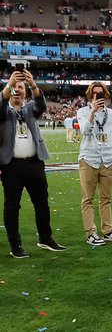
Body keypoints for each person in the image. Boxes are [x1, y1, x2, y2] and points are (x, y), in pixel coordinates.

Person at [1, 68, 67, 258]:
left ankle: (45, 239)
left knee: (42, 203)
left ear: (25, 92)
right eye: (15, 87)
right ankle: (15, 245)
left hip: (34, 163)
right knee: (12, 206)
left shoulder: (30, 108)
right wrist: (9, 84)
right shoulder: (4, 110)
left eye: (20, 87)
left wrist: (33, 84)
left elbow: (41, 104)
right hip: (11, 165)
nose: (17, 90)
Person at [76, 81, 112, 246]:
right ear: (90, 96)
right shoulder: (82, 112)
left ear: (106, 95)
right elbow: (85, 131)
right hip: (89, 159)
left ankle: (108, 231)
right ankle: (91, 233)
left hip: (107, 160)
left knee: (106, 198)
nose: (99, 96)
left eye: (101, 93)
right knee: (87, 199)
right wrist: (92, 112)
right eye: (95, 93)